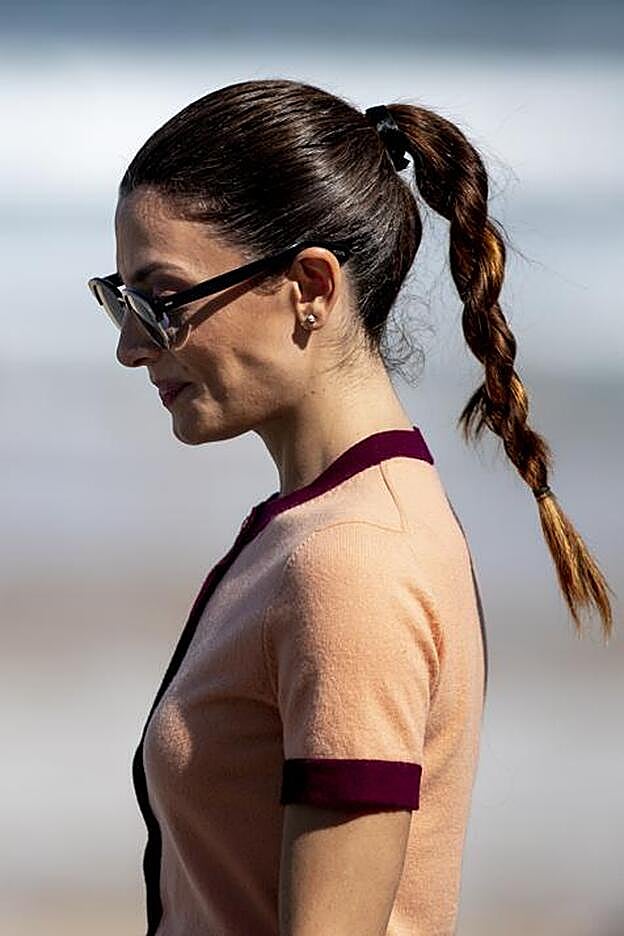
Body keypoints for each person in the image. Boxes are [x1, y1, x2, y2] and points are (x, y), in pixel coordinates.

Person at [87, 78, 614, 936]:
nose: (130, 345)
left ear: (310, 286)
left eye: (162, 300)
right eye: (120, 297)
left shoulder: (352, 560)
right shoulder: (325, 525)